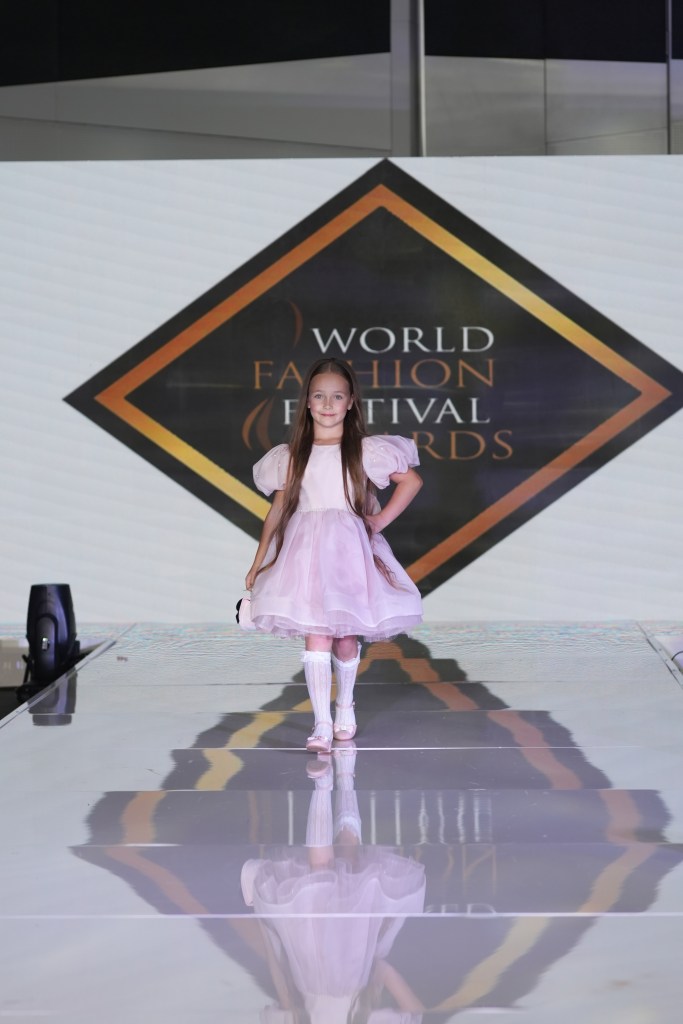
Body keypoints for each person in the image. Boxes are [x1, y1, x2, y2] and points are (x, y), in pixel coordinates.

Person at [245, 357, 423, 753]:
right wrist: (259, 561)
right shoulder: (292, 454)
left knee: (344, 638)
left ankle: (345, 706)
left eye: (337, 396)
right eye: (319, 396)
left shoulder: (364, 451)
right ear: (307, 402)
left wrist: (379, 521)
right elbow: (277, 510)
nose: (328, 404)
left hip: (348, 553)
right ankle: (321, 723)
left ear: (351, 401)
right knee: (317, 632)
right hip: (305, 553)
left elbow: (411, 480)